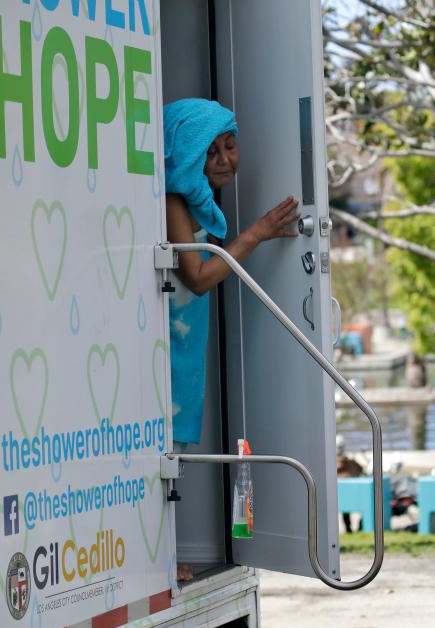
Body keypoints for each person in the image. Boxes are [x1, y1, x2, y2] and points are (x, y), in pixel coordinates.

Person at [163, 98, 299, 580]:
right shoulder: (172, 201)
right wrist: (257, 233)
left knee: (175, 448)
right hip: (170, 343)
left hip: (186, 340)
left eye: (230, 145)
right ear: (183, 154)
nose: (225, 160)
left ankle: (167, 554)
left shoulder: (197, 197)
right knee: (166, 450)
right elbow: (198, 276)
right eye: (209, 152)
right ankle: (163, 556)